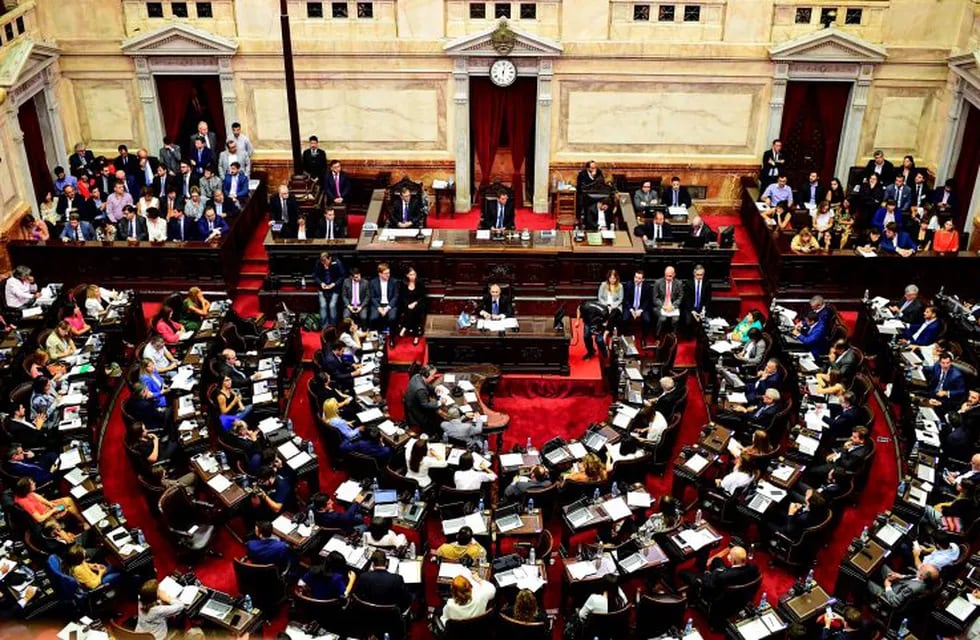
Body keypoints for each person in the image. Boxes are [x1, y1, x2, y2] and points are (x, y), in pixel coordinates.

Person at [805, 427, 871, 485]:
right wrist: (837, 452)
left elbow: (845, 464)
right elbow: (845, 448)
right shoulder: (856, 442)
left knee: (811, 470)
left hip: (837, 467)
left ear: (862, 440)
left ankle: (812, 482)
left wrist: (844, 450)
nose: (851, 438)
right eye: (852, 435)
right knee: (816, 453)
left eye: (854, 437)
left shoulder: (858, 454)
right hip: (838, 457)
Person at [13, 477, 85, 528]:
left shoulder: (24, 493)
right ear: (27, 488)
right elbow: (39, 519)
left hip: (47, 507)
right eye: (32, 483)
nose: (34, 483)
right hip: (47, 515)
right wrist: (53, 510)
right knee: (69, 504)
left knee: (68, 500)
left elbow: (37, 497)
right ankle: (83, 522)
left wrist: (49, 503)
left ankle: (81, 520)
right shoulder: (26, 503)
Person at [867, 563, 939, 609]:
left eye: (924, 567)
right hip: (898, 584)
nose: (922, 565)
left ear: (923, 576)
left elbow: (895, 602)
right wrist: (900, 576)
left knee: (866, 581)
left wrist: (887, 586)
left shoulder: (913, 588)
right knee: (882, 565)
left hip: (890, 595)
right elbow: (911, 577)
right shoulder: (920, 577)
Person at [404, 365, 442, 434]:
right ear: (426, 375)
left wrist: (434, 389)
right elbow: (425, 405)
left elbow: (426, 384)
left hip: (411, 406)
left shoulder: (417, 376)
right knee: (435, 418)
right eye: (432, 375)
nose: (434, 377)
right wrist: (439, 403)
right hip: (417, 413)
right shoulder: (420, 389)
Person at [313, 252, 345, 328]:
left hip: (334, 288)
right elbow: (315, 276)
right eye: (322, 261)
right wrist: (321, 283)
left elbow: (342, 276)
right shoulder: (319, 263)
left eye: (325, 261)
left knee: (332, 306)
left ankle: (333, 326)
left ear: (329, 258)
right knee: (323, 306)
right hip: (322, 288)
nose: (324, 263)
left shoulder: (337, 263)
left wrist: (334, 284)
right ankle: (324, 327)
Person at [369, 262, 400, 337]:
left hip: (390, 304)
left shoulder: (394, 281)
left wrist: (387, 308)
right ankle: (376, 335)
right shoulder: (373, 282)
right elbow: (372, 297)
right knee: (373, 318)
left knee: (392, 318)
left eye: (388, 273)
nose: (388, 275)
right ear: (380, 274)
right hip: (378, 304)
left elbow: (395, 297)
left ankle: (392, 336)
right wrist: (379, 307)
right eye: (385, 273)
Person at [623, 269, 653, 343]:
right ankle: (626, 336)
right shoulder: (628, 284)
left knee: (647, 320)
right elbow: (625, 299)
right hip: (631, 307)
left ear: (643, 279)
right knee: (625, 319)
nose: (637, 280)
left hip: (642, 307)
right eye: (636, 277)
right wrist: (631, 309)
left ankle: (644, 337)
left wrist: (641, 310)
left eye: (639, 278)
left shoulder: (647, 286)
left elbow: (648, 301)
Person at [398, 266, 426, 345]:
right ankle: (416, 335)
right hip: (407, 304)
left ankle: (405, 327)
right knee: (410, 310)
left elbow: (422, 297)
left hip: (418, 303)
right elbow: (402, 297)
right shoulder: (403, 283)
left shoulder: (420, 283)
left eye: (414, 274)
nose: (413, 276)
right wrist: (408, 304)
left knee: (415, 311)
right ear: (407, 275)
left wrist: (414, 303)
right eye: (411, 274)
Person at [652, 266, 683, 336]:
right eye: (666, 276)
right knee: (662, 319)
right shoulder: (658, 282)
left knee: (676, 320)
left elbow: (680, 297)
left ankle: (673, 337)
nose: (668, 278)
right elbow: (655, 298)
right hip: (661, 306)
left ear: (674, 274)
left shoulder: (679, 283)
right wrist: (663, 306)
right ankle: (657, 336)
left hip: (673, 307)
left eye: (670, 276)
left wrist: (673, 306)